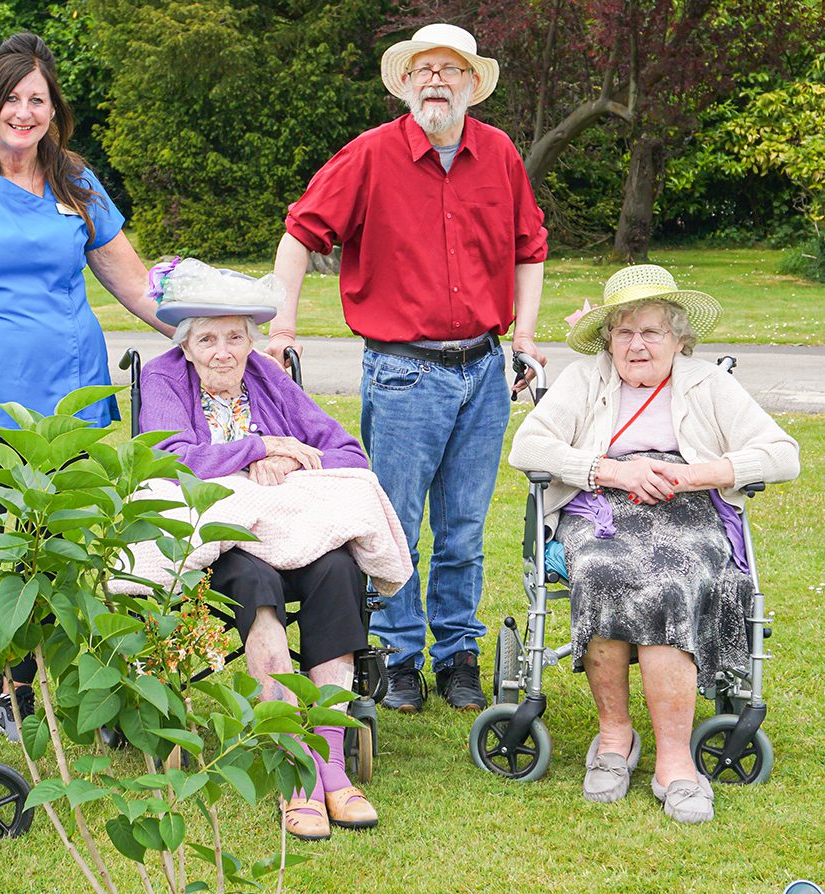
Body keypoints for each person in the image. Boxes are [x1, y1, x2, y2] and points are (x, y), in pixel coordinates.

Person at [265, 23, 548, 714]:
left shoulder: (500, 154)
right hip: (403, 373)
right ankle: (397, 655)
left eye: (450, 69)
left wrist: (527, 336)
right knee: (395, 523)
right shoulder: (370, 156)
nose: (435, 80)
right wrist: (282, 324)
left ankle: (457, 653)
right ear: (406, 82)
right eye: (423, 69)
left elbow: (529, 247)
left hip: (482, 369)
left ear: (472, 85)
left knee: (464, 528)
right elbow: (300, 233)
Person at [0, 31, 171, 736]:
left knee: (59, 554)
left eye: (38, 100)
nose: (24, 112)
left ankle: (35, 691)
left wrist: (203, 334)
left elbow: (134, 282)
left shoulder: (75, 181)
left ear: (53, 111)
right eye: (12, 98)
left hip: (70, 403)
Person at [509, 265, 800, 824]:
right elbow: (528, 446)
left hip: (687, 506)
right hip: (601, 505)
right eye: (624, 332)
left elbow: (783, 453)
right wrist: (607, 471)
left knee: (674, 580)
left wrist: (697, 475)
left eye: (651, 332)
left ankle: (674, 759)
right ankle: (615, 737)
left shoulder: (707, 382)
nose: (637, 344)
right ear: (607, 340)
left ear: (678, 339)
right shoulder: (583, 379)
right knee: (598, 572)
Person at [140, 259, 380, 842]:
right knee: (256, 585)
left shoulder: (269, 378)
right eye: (207, 339)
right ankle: (294, 769)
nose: (223, 351)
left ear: (250, 339)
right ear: (187, 345)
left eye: (234, 337)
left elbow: (345, 449)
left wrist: (293, 458)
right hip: (220, 546)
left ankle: (332, 762)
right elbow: (170, 456)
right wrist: (255, 451)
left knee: (339, 571)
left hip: (292, 532)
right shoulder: (164, 379)